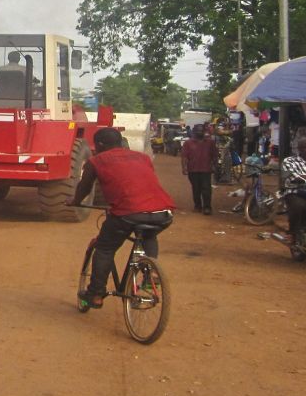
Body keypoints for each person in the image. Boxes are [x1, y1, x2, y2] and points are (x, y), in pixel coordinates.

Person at [69, 127, 176, 310]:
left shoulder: (96, 161)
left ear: (100, 145)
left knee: (104, 248)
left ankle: (95, 294)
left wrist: (75, 202)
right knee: (149, 235)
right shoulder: (142, 158)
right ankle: (150, 275)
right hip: (162, 213)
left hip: (128, 213)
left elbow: (84, 187)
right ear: (120, 142)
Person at [180, 124, 217, 215]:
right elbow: (184, 156)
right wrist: (184, 168)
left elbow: (214, 155)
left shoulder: (210, 143)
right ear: (194, 131)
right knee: (196, 189)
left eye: (201, 130)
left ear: (204, 131)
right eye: (198, 130)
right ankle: (198, 206)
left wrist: (214, 166)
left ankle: (207, 207)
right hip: (193, 169)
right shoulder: (188, 143)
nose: (199, 132)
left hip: (206, 169)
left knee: (206, 189)